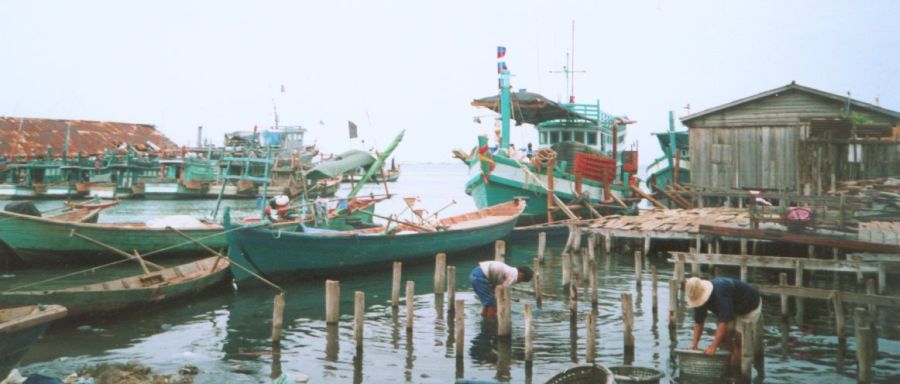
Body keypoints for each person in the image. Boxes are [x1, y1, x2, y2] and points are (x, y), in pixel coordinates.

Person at [686, 276, 763, 372]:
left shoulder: (721, 292)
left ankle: (737, 371)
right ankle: (727, 365)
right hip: (731, 307)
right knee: (723, 340)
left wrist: (713, 346)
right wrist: (694, 345)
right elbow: (699, 323)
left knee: (739, 341)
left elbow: (724, 322)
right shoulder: (698, 297)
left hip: (749, 306)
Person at [469, 261, 533, 319]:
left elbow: (496, 285)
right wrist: (502, 306)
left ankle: (484, 316)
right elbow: (501, 290)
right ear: (521, 274)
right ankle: (490, 322)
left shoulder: (510, 270)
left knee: (489, 301)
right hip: (480, 277)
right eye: (521, 280)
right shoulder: (513, 276)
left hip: (476, 273)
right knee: (493, 304)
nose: (519, 282)